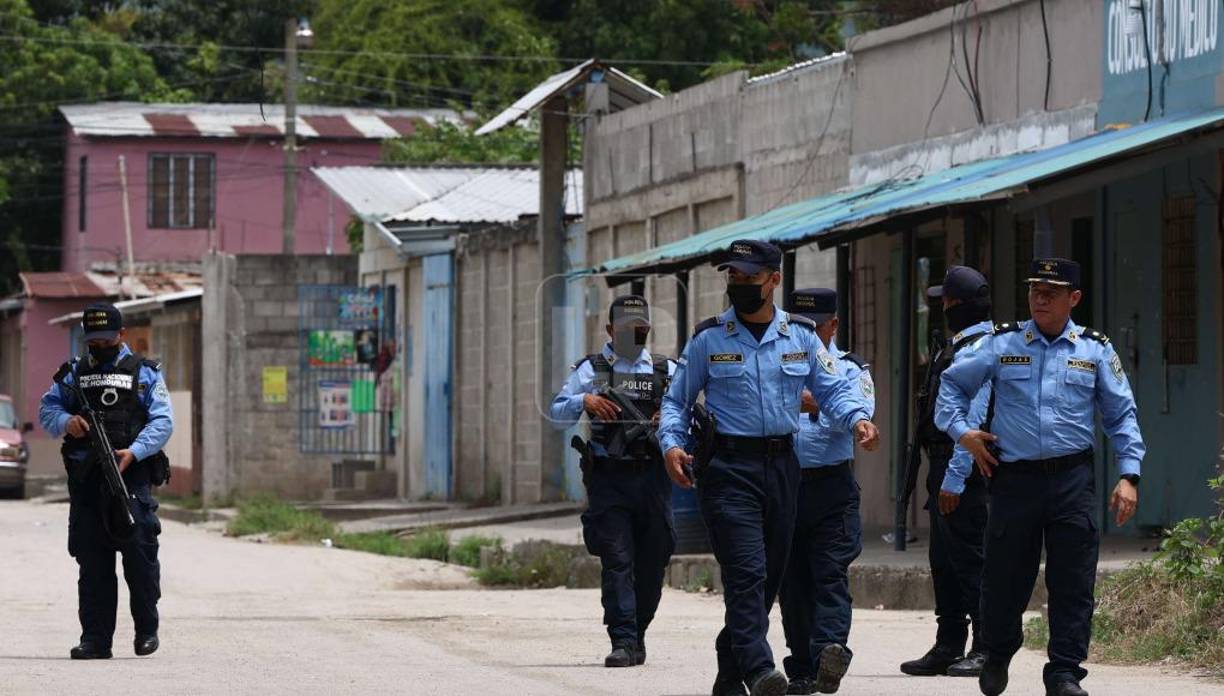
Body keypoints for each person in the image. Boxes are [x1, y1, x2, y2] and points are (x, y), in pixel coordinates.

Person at [658, 239, 880, 696]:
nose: (738, 284)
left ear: (774, 280)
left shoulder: (800, 336)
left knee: (765, 582)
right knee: (747, 572)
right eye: (732, 276)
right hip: (728, 470)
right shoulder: (708, 339)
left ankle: (728, 672)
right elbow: (677, 402)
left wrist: (859, 419)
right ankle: (760, 670)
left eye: (748, 276)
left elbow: (834, 389)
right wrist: (671, 445)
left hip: (784, 468)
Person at [936, 258, 1144, 696]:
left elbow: (1121, 415)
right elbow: (952, 387)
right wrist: (963, 434)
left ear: (1074, 298)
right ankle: (996, 652)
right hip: (1015, 480)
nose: (1040, 298)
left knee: (1073, 579)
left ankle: (1065, 672)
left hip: (1072, 481)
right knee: (1005, 576)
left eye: (1051, 292)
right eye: (1035, 290)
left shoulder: (1095, 349)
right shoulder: (1001, 343)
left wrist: (1129, 475)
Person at [39, 303, 174, 660]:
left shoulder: (144, 373)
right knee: (93, 565)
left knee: (140, 560)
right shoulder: (73, 375)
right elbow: (47, 410)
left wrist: (135, 451)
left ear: (122, 335)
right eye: (93, 341)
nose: (100, 346)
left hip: (131, 482)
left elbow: (163, 422)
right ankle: (96, 639)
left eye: (106, 339)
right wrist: (67, 422)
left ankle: (146, 630)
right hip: (88, 485)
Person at [550, 295, 678, 669]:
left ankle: (637, 632)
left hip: (653, 479)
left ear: (648, 330)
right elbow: (556, 413)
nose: (633, 334)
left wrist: (667, 417)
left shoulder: (666, 370)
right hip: (610, 480)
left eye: (640, 329)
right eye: (625, 329)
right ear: (609, 330)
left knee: (653, 563)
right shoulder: (591, 369)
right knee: (618, 560)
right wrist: (584, 401)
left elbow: (690, 412)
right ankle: (622, 639)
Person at [778, 288, 875, 695]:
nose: (807, 335)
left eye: (814, 327)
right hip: (785, 486)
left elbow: (858, 413)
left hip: (831, 487)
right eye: (799, 327)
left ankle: (828, 654)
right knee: (792, 581)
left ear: (832, 325)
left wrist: (815, 402)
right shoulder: (777, 363)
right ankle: (801, 667)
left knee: (829, 573)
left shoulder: (851, 368)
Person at [900, 265, 994, 679]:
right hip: (943, 463)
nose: (941, 307)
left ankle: (985, 644)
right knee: (944, 560)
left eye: (945, 302)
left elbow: (971, 422)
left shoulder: (980, 349)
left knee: (970, 559)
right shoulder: (956, 346)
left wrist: (955, 477)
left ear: (957, 305)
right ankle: (949, 642)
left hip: (965, 467)